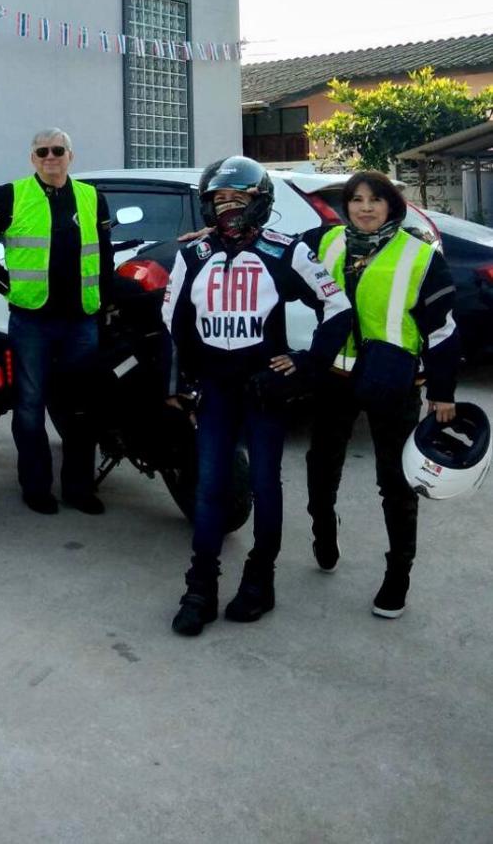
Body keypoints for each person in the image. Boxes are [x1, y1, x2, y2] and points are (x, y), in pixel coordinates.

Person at [161, 156, 352, 636]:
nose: (228, 207)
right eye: (219, 199)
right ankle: (200, 586)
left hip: (264, 389)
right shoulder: (193, 255)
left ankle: (260, 579)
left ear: (259, 202)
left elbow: (337, 306)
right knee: (211, 486)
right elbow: (172, 322)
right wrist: (179, 382)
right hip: (215, 389)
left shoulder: (284, 251)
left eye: (238, 198)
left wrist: (306, 363)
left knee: (265, 484)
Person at [303, 170, 459, 619]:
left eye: (375, 199)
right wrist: (209, 235)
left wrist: (442, 392)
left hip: (393, 383)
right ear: (346, 205)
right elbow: (270, 249)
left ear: (392, 205)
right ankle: (323, 530)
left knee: (395, 481)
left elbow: (443, 331)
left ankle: (397, 576)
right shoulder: (327, 242)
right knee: (320, 465)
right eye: (356, 199)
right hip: (335, 376)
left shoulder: (420, 256)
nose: (365, 208)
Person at [0, 128, 113, 515]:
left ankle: (78, 488)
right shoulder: (10, 195)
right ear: (32, 158)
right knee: (30, 406)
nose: (50, 157)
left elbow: (105, 254)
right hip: (32, 321)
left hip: (81, 321)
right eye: (42, 151)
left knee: (80, 407)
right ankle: (36, 487)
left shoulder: (92, 198)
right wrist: (2, 283)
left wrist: (105, 302)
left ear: (70, 156)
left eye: (58, 150)